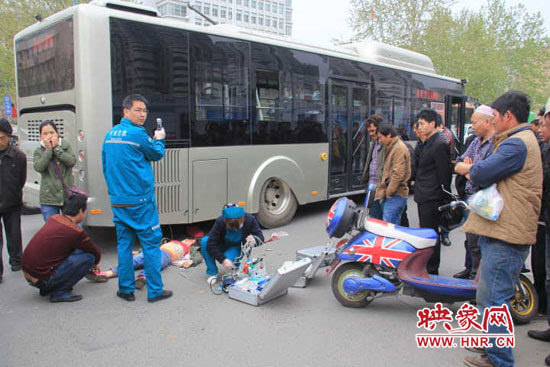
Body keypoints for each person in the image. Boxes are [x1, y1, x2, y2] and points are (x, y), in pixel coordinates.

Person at [456, 91, 542, 367]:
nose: (491, 123)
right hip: (503, 229)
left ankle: (499, 359)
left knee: (495, 298)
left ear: (508, 116)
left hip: (507, 232)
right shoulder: (519, 140)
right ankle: (491, 347)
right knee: (490, 294)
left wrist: (466, 168)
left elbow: (480, 172)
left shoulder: (516, 144)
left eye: (493, 117)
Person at [102, 94, 172, 303]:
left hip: (118, 200)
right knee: (150, 245)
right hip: (141, 202)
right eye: (138, 110)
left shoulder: (110, 134)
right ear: (126, 111)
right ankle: (155, 291)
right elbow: (156, 154)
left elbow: (105, 166)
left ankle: (125, 289)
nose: (142, 114)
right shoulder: (138, 134)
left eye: (145, 111)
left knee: (124, 245)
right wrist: (160, 139)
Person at [21, 193, 102, 302]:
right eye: (86, 210)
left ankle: (49, 286)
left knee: (75, 252)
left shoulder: (54, 218)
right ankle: (60, 291)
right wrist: (95, 263)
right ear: (80, 211)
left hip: (29, 273)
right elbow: (95, 252)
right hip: (42, 278)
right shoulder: (75, 231)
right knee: (89, 258)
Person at [453, 105, 495, 280]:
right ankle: (473, 278)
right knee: (472, 244)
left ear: (487, 122)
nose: (472, 126)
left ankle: (480, 282)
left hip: (486, 200)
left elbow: (485, 175)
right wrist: (471, 169)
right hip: (470, 199)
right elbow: (457, 164)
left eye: (474, 122)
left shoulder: (496, 144)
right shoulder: (475, 141)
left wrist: (470, 170)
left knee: (483, 245)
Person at [413, 109, 451, 275]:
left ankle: (432, 269)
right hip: (423, 195)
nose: (418, 127)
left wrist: (444, 198)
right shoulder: (427, 142)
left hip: (432, 196)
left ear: (433, 124)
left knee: (431, 236)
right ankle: (426, 266)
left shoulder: (440, 143)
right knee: (426, 234)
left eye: (422, 123)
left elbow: (444, 174)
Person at [527, 100, 550, 367]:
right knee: (543, 271)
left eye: (544, 124)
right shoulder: (543, 147)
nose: (540, 128)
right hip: (543, 218)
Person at [201, 204, 264, 284]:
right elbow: (211, 244)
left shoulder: (250, 219)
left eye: (237, 227)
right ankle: (213, 272)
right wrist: (223, 260)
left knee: (230, 260)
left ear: (242, 219)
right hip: (221, 243)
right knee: (205, 241)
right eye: (231, 227)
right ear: (225, 221)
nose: (234, 230)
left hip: (236, 246)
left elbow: (261, 237)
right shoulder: (220, 221)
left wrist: (254, 239)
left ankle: (234, 269)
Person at [101, 239, 195, 289]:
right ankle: (108, 273)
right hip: (155, 250)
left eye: (191, 241)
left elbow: (196, 257)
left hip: (167, 256)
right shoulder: (170, 241)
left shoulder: (189, 250)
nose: (188, 241)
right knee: (134, 261)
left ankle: (141, 278)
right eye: (187, 239)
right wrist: (139, 251)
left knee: (154, 264)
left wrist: (191, 261)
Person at [33, 121, 76, 221]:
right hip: (49, 198)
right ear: (40, 137)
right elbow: (39, 167)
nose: (49, 136)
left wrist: (56, 148)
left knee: (72, 229)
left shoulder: (65, 146)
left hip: (67, 195)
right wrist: (48, 150)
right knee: (53, 232)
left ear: (57, 133)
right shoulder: (38, 151)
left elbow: (71, 162)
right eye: (45, 134)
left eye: (52, 133)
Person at [0, 118, 26, 280]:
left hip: (12, 202)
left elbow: (21, 179)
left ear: (9, 137)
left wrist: (15, 193)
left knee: (14, 235)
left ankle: (16, 260)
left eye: (2, 138)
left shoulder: (18, 156)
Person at [374, 124, 411, 224]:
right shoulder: (392, 147)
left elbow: (398, 174)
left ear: (389, 135)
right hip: (391, 194)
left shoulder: (398, 149)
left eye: (381, 137)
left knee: (389, 227)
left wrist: (389, 192)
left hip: (395, 195)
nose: (380, 141)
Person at [360, 114, 385, 219]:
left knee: (381, 219)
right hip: (371, 186)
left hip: (381, 187)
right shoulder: (374, 143)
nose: (371, 134)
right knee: (373, 217)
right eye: (369, 131)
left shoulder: (386, 144)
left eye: (373, 130)